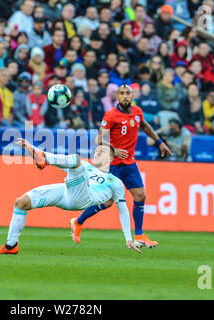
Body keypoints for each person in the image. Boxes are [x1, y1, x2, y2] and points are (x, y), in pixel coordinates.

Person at [0, 138, 142, 255]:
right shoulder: (85, 166)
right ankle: (11, 245)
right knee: (21, 202)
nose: (97, 153)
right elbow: (61, 163)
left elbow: (123, 210)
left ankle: (44, 157)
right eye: (96, 150)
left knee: (76, 160)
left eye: (102, 152)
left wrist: (128, 238)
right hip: (66, 192)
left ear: (110, 159)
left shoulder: (115, 182)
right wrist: (32, 147)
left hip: (83, 198)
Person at [71, 85, 172, 248]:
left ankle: (139, 235)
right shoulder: (111, 115)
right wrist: (114, 150)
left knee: (140, 195)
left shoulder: (137, 112)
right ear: (117, 97)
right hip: (113, 166)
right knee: (108, 201)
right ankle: (78, 221)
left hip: (130, 163)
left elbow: (144, 125)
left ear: (132, 96)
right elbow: (99, 140)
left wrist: (159, 142)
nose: (125, 96)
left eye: (128, 93)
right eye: (122, 94)